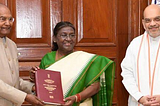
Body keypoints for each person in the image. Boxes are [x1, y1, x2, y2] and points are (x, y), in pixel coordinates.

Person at [30, 21, 115, 106]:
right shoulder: (48, 58)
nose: (68, 39)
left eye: (72, 35)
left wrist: (76, 97)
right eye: (64, 35)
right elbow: (43, 84)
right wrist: (34, 76)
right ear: (55, 39)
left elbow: (96, 86)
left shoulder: (84, 59)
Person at [0, 3, 44, 106]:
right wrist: (24, 97)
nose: (8, 23)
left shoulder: (12, 45)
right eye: (2, 19)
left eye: (10, 19)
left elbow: (14, 81)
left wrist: (33, 87)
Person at [121, 4, 160, 106]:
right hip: (138, 103)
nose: (152, 24)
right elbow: (127, 73)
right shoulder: (135, 44)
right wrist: (139, 97)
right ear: (143, 23)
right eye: (148, 20)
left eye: (157, 19)